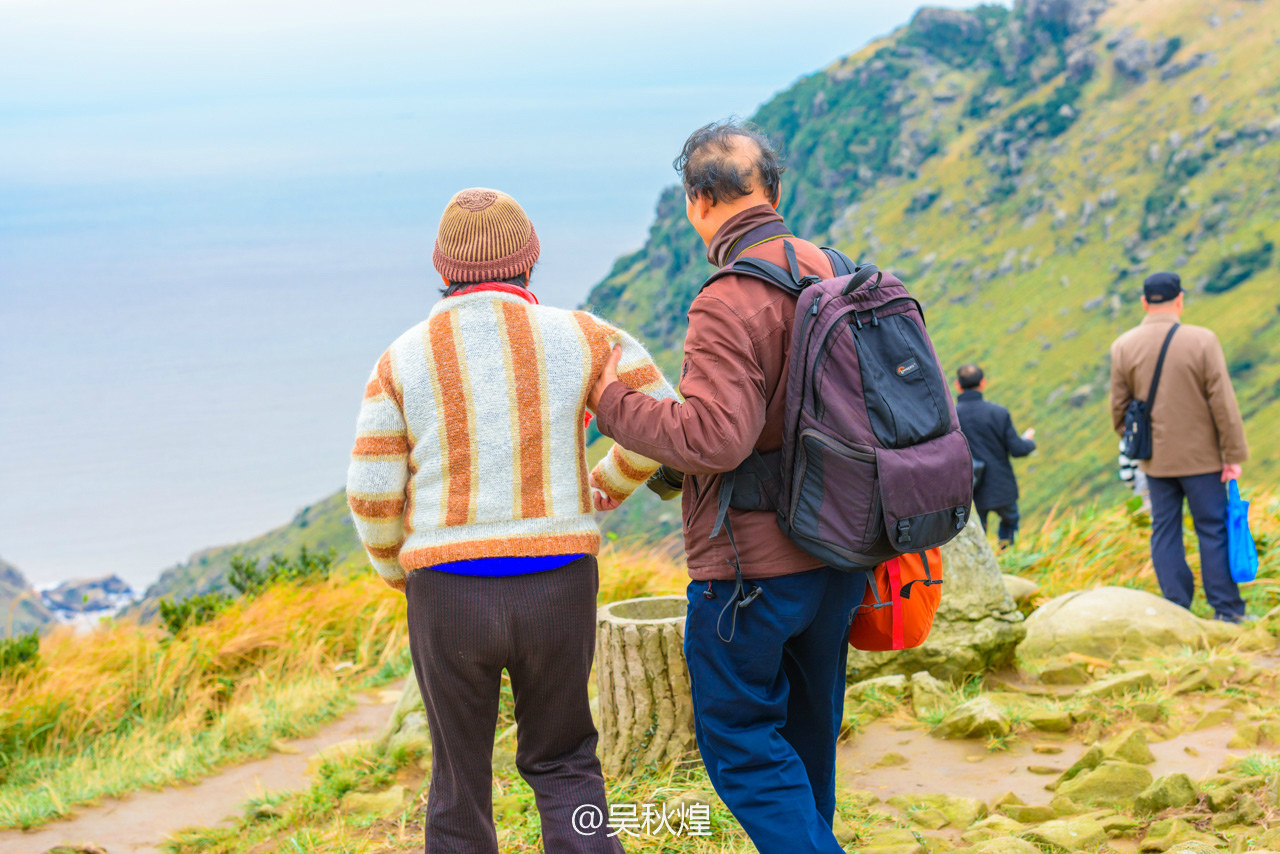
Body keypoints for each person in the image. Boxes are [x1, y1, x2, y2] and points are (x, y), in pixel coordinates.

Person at [347, 187, 677, 853]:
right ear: (530, 260)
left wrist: (396, 571)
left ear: (442, 269)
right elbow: (660, 418)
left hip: (447, 589)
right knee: (565, 763)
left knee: (458, 783)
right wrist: (603, 488)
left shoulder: (403, 357)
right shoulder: (584, 335)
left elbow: (371, 491)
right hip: (558, 579)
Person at [586, 121, 865, 854]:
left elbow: (719, 437)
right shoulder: (834, 269)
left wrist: (613, 404)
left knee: (740, 743)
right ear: (774, 189)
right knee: (807, 739)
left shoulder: (728, 298)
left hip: (752, 573)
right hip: (839, 556)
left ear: (697, 202)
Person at [1109, 271, 1250, 622]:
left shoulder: (1124, 345)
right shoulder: (1203, 341)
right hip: (1202, 459)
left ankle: (1175, 608)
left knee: (1165, 529)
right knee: (1212, 529)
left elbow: (1119, 407)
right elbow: (1223, 403)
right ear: (1180, 299)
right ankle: (1227, 611)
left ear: (1144, 302)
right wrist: (1232, 455)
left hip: (1155, 461)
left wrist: (1134, 442)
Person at [953, 364, 1036, 547]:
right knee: (1010, 522)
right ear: (983, 383)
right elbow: (1017, 449)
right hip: (1001, 486)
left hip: (971, 489)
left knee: (977, 533)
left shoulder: (952, 418)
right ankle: (1007, 554)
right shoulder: (998, 413)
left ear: (957, 385)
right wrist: (1029, 441)